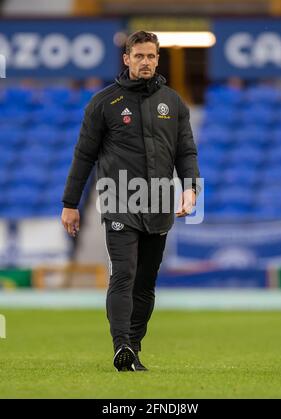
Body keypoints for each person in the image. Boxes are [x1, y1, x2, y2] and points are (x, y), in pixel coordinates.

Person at [61, 31, 200, 372]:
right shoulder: (103, 103)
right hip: (119, 200)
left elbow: (186, 151)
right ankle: (120, 345)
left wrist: (191, 188)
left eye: (151, 56)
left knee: (145, 282)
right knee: (123, 274)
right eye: (138, 56)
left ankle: (133, 348)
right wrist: (70, 202)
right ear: (126, 59)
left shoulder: (174, 102)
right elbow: (83, 156)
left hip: (159, 203)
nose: (145, 62)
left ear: (157, 58)